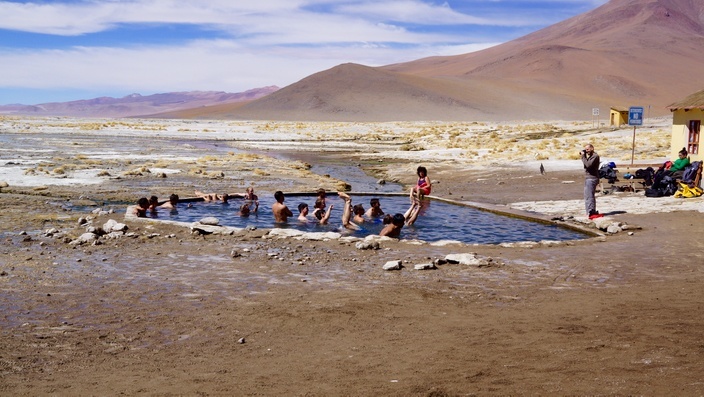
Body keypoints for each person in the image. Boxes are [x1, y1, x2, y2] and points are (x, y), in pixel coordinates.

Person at [581, 144, 601, 218]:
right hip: (588, 178)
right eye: (585, 149)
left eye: (588, 149)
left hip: (592, 178)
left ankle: (591, 211)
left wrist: (583, 156)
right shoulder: (590, 156)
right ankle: (589, 212)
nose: (586, 151)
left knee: (590, 196)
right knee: (587, 196)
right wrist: (585, 156)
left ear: (592, 148)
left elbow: (588, 165)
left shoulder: (595, 156)